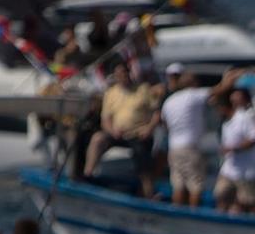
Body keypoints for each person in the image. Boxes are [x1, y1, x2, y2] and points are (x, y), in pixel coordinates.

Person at [83, 60, 163, 188]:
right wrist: (112, 130)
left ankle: (148, 190)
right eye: (119, 74)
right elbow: (106, 119)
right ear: (115, 76)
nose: (123, 76)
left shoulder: (143, 89)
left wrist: (149, 128)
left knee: (141, 154)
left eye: (125, 72)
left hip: (138, 133)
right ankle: (88, 174)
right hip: (118, 133)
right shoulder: (111, 93)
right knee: (97, 139)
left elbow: (156, 113)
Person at [213, 83, 255, 214]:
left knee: (250, 203)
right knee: (220, 194)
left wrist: (235, 149)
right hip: (229, 170)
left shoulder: (248, 116)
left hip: (247, 171)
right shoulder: (228, 121)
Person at [158, 63, 213, 207]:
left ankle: (177, 217)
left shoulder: (168, 102)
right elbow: (217, 91)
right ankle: (193, 218)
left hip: (174, 148)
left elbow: (164, 124)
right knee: (196, 186)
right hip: (189, 148)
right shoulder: (193, 95)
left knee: (179, 185)